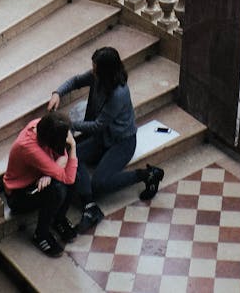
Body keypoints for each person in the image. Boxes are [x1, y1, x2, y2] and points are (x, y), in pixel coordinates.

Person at [47, 46, 164, 234]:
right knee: (72, 157)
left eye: (95, 67)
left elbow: (98, 125)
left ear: (106, 70)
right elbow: (76, 81)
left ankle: (147, 175)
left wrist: (70, 125)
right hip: (102, 139)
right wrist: (57, 93)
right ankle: (90, 206)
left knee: (99, 184)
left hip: (122, 142)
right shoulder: (97, 76)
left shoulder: (118, 93)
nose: (92, 70)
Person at [3, 112, 78, 257]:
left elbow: (64, 156)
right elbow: (68, 178)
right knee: (58, 189)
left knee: (74, 169)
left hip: (39, 179)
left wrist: (49, 173)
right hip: (19, 196)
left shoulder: (44, 125)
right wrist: (73, 146)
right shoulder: (29, 148)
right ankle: (41, 234)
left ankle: (58, 219)